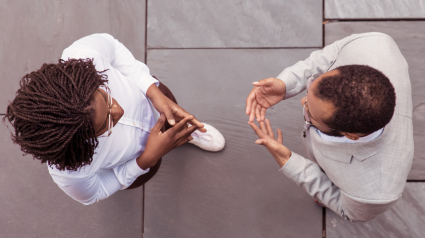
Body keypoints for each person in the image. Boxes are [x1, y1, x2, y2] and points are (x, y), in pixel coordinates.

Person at [4, 33, 225, 205]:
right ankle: (176, 137)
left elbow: (113, 47)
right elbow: (96, 192)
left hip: (150, 99)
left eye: (106, 96)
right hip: (137, 157)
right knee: (151, 168)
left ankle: (186, 131)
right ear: (81, 141)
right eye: (107, 124)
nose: (118, 111)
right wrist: (146, 160)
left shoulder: (82, 54)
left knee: (172, 106)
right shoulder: (70, 173)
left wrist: (153, 92)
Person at [245, 32, 413, 222]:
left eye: (310, 112)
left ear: (351, 136)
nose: (302, 100)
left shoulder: (374, 194)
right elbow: (328, 56)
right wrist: (286, 84)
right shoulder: (373, 43)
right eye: (310, 89)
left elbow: (345, 209)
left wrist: (287, 160)